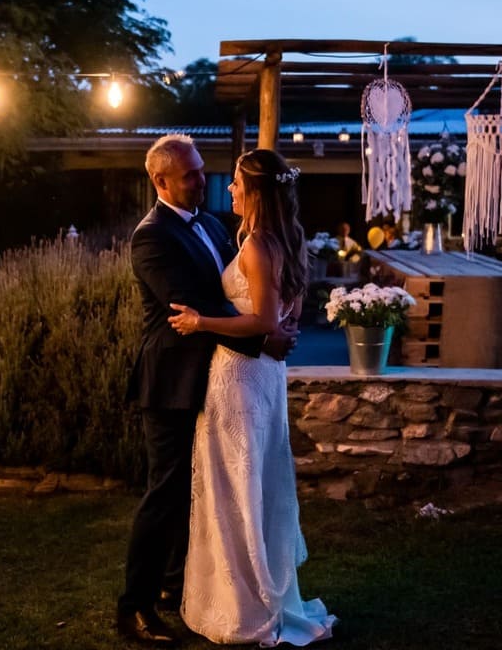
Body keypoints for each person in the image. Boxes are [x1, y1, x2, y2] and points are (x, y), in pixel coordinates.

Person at [118, 135, 297, 646]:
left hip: (223, 380)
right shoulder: (151, 238)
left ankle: (178, 586)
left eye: (201, 169)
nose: (203, 180)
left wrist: (274, 320)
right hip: (172, 382)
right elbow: (191, 305)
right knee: (166, 493)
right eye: (190, 175)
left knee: (203, 491)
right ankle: (134, 607)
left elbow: (245, 290)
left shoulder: (215, 225)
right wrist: (265, 335)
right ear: (160, 181)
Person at [167, 148, 336, 646]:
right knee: (251, 479)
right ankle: (247, 590)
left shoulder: (259, 245)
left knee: (236, 483)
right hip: (264, 374)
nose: (230, 189)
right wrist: (280, 330)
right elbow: (286, 318)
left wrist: (200, 322)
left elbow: (263, 320)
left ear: (256, 192)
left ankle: (246, 602)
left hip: (240, 376)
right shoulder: (284, 241)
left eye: (237, 183)